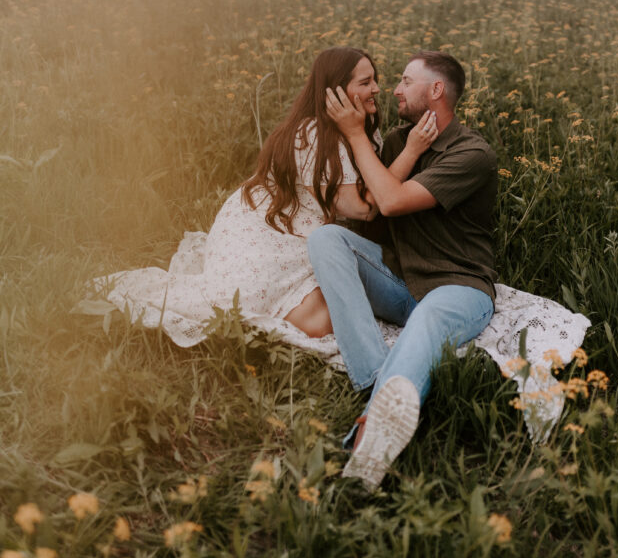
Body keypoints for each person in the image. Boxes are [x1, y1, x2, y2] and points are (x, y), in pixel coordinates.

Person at [90, 46, 435, 346]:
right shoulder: (313, 134)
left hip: (312, 233)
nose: (377, 88)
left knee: (339, 308)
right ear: (336, 93)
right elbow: (362, 207)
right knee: (313, 320)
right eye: (365, 82)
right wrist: (411, 150)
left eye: (374, 78)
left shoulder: (362, 134)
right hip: (266, 233)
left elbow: (375, 189)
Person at [308, 50, 497, 491]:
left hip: (457, 286)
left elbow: (391, 202)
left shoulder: (473, 154)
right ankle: (378, 375)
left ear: (435, 91)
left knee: (430, 317)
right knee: (326, 239)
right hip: (400, 283)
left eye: (406, 81)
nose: (394, 89)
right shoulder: (398, 143)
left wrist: (354, 135)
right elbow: (369, 212)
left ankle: (367, 444)